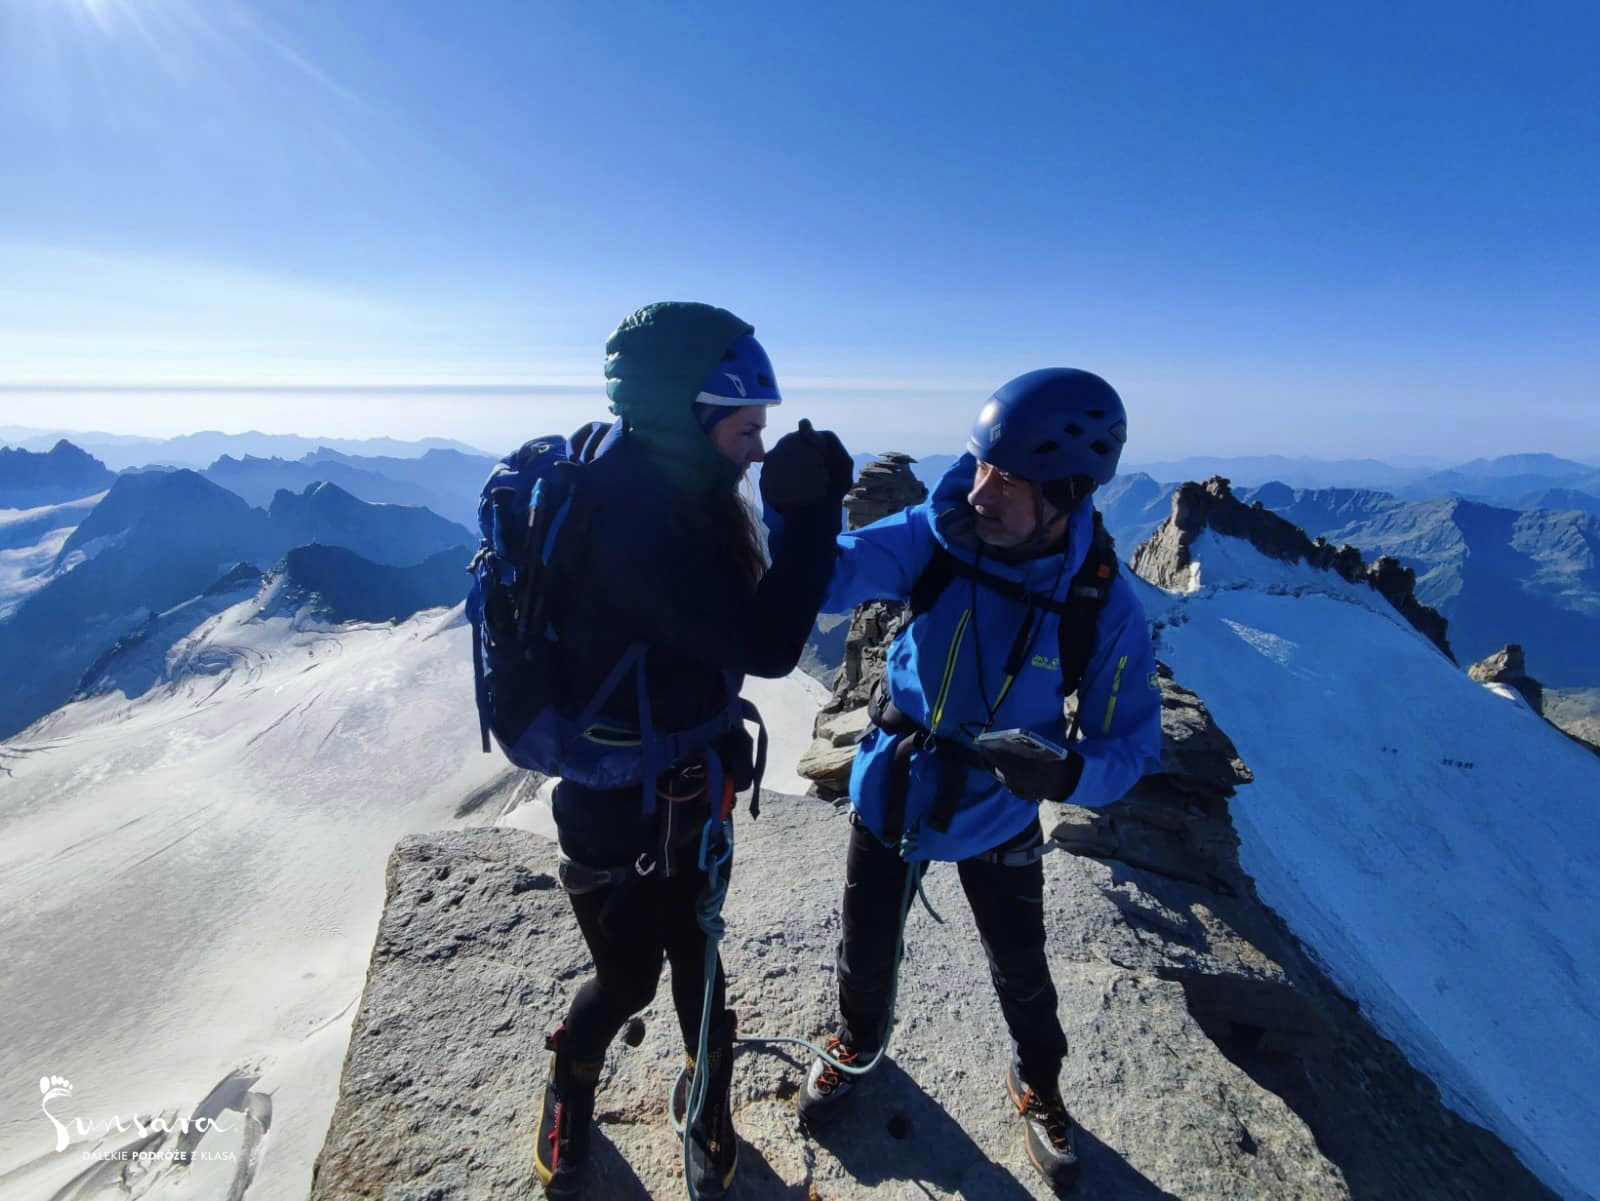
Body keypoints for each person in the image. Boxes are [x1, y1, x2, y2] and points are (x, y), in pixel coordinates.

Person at [796, 368, 1163, 1190]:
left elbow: (1134, 744)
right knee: (865, 940)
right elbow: (832, 576)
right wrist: (801, 521)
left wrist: (1069, 770)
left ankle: (1039, 1078)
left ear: (1067, 494)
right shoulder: (937, 533)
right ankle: (858, 1040)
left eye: (1009, 478)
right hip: (893, 783)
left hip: (999, 805)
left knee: (1021, 965)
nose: (981, 490)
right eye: (982, 464)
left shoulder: (1099, 602)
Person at [531, 301, 853, 1199]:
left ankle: (707, 1093)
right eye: (747, 430)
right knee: (631, 973)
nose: (758, 449)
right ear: (687, 418)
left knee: (697, 953)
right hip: (620, 803)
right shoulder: (637, 525)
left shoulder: (665, 489)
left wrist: (792, 511)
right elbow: (768, 643)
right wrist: (812, 517)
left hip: (682, 783)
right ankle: (569, 1081)